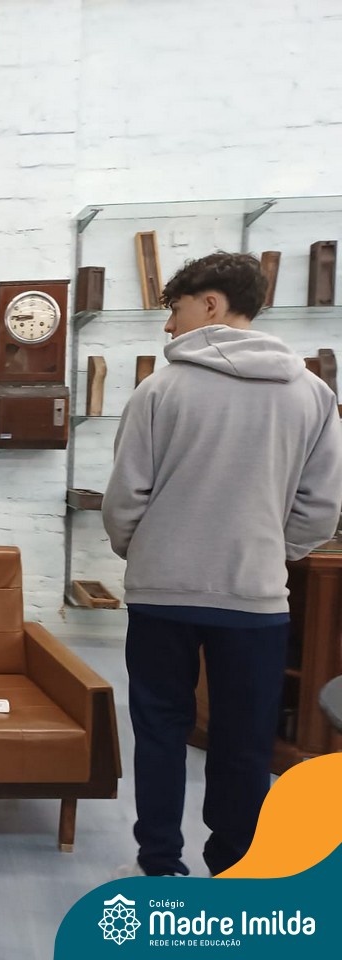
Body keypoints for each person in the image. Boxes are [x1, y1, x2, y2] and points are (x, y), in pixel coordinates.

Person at [102, 251, 342, 878]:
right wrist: (269, 553)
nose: (169, 325)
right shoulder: (312, 394)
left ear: (211, 304)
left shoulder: (160, 390)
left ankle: (160, 863)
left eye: (175, 309)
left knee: (160, 729)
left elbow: (124, 500)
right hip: (254, 599)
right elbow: (320, 508)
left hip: (161, 595)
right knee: (245, 740)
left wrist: (146, 552)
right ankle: (234, 867)